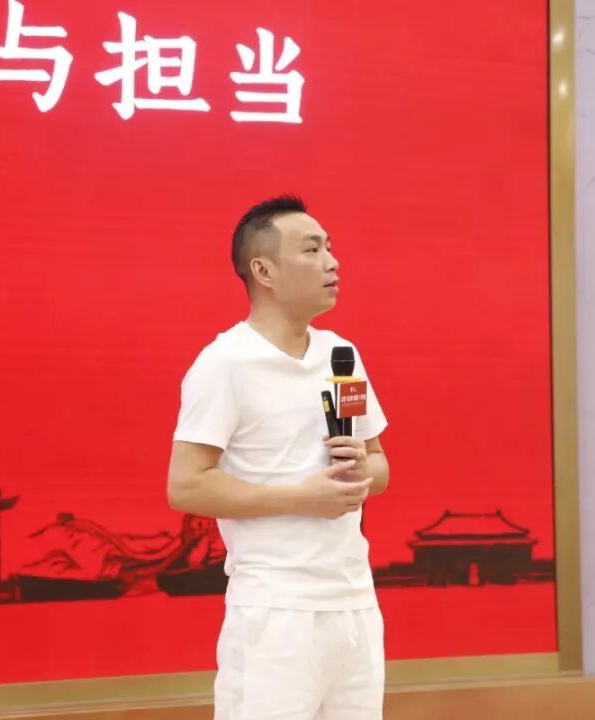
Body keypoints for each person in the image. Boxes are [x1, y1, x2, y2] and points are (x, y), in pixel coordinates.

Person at [167, 195, 391, 720]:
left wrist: (362, 470)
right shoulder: (225, 363)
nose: (332, 262)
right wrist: (300, 498)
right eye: (311, 250)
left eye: (329, 247)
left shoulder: (341, 356)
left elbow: (379, 465)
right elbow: (186, 485)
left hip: (354, 603)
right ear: (263, 271)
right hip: (276, 611)